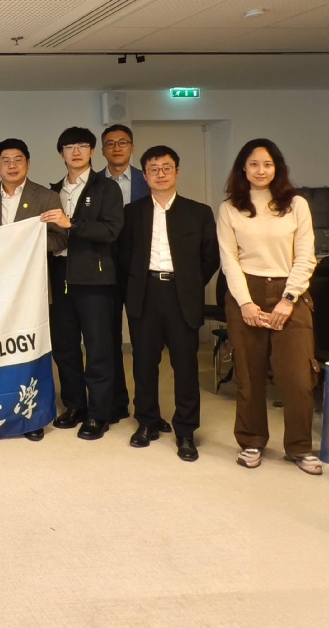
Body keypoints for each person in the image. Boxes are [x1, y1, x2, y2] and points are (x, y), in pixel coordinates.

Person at [217, 138, 320, 475]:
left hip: (291, 292)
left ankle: (300, 447)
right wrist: (245, 303)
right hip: (246, 292)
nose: (260, 171)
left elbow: (306, 256)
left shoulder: (296, 205)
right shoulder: (230, 208)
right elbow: (229, 260)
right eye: (253, 164)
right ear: (243, 169)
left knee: (298, 378)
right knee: (249, 375)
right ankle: (251, 441)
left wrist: (288, 300)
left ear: (277, 168)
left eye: (267, 164)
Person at [118, 145, 219, 461]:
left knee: (185, 366)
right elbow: (123, 256)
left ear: (177, 172)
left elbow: (210, 257)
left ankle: (186, 431)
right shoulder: (132, 213)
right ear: (145, 176)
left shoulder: (198, 212)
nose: (160, 174)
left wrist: (189, 284)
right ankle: (147, 421)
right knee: (144, 363)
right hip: (145, 293)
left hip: (181, 295)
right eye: (153, 169)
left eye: (166, 168)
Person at [0, 138, 66, 442]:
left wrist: (24, 243)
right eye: (5, 160)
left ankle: (33, 414)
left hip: (31, 289)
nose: (12, 165)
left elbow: (60, 240)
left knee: (30, 352)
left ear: (28, 163)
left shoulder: (47, 196)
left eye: (18, 159)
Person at [42, 127, 124, 440]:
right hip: (59, 274)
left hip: (94, 276)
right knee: (64, 347)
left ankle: (99, 413)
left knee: (98, 347)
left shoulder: (106, 188)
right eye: (69, 147)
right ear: (60, 153)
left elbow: (111, 230)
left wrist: (72, 223)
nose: (75, 152)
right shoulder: (52, 191)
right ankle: (75, 405)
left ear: (91, 151)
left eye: (82, 146)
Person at [100, 124, 148, 422]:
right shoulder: (93, 183)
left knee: (144, 342)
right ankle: (116, 403)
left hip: (141, 269)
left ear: (132, 147)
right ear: (102, 150)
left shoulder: (148, 179)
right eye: (110, 143)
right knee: (108, 339)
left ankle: (147, 408)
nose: (117, 148)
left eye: (123, 142)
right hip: (104, 268)